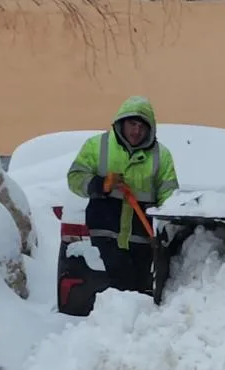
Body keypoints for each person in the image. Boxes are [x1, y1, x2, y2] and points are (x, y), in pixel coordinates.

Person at [66, 96, 179, 295]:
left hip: (141, 243)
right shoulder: (97, 146)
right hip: (104, 238)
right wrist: (99, 184)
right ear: (121, 122)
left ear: (150, 128)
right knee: (112, 300)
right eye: (132, 124)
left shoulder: (162, 156)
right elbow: (75, 179)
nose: (136, 131)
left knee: (136, 300)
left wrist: (164, 235)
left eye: (141, 126)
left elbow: (169, 199)